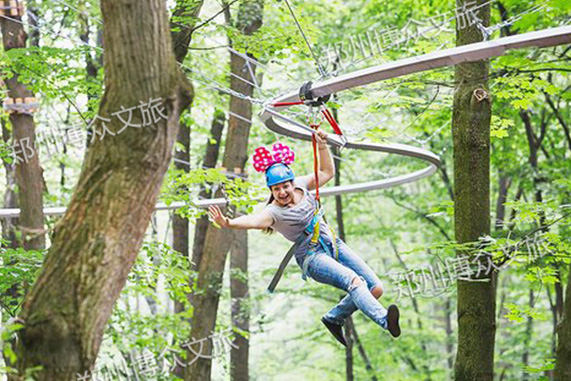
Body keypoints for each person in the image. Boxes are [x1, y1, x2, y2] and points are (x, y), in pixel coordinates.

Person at [208, 129, 400, 347]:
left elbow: (326, 172)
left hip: (333, 244)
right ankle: (385, 321)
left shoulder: (302, 185)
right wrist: (228, 223)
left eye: (285, 186)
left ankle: (334, 317)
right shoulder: (273, 213)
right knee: (354, 281)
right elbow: (252, 220)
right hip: (312, 257)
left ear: (291, 182)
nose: (282, 192)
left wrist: (321, 145)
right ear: (271, 190)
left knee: (376, 289)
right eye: (276, 189)